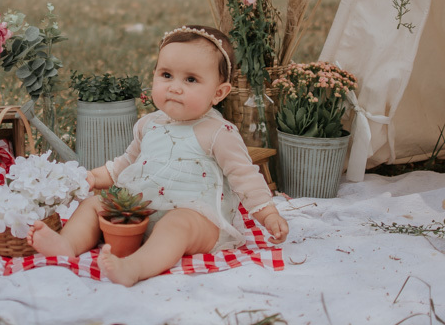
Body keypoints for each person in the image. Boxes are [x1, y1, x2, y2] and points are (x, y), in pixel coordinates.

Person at [28, 25, 288, 286]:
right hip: (141, 211)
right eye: (166, 75)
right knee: (95, 204)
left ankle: (134, 268)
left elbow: (245, 177)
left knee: (177, 223)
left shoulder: (218, 132)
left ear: (218, 93)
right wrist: (94, 177)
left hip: (197, 220)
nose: (175, 87)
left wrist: (268, 214)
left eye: (191, 80)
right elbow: (127, 163)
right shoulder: (149, 124)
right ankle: (67, 244)